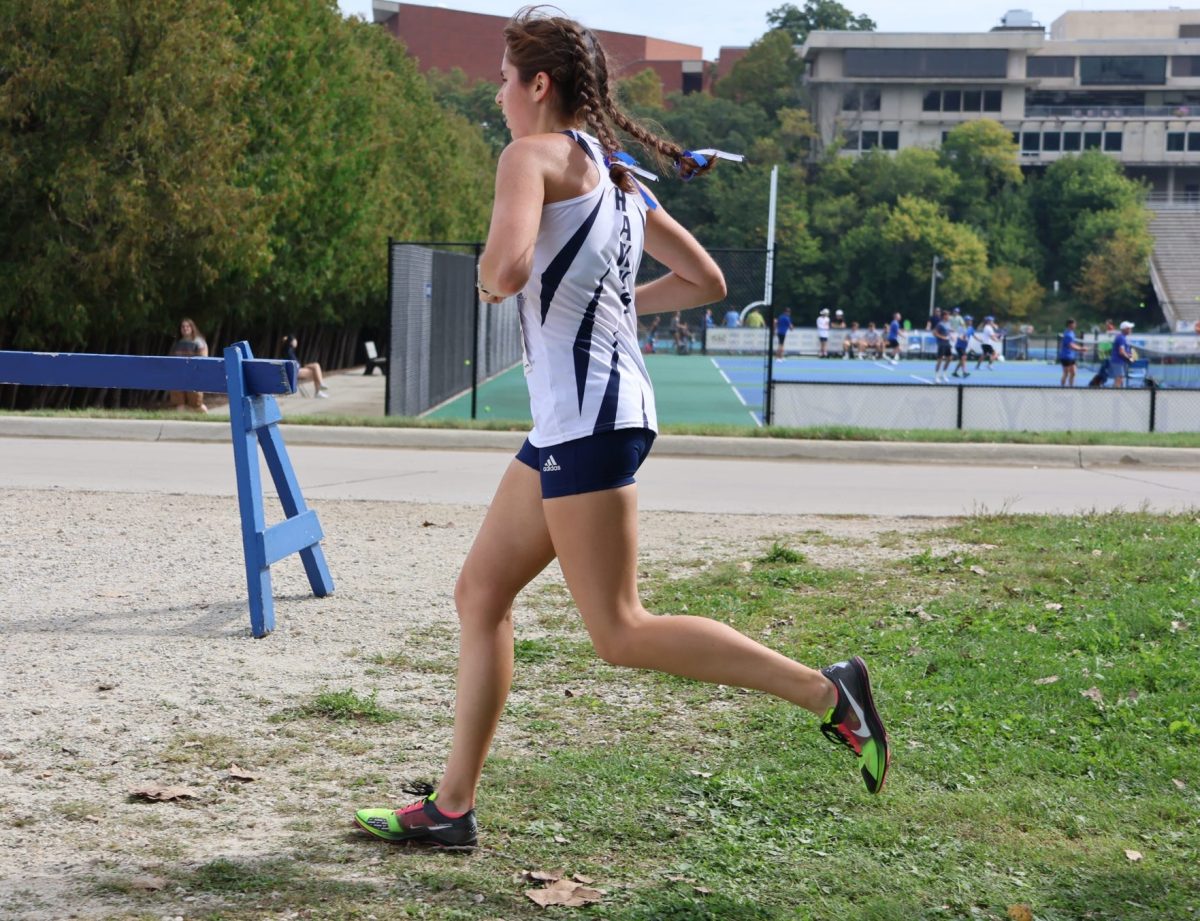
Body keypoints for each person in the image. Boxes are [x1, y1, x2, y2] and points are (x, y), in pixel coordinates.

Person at [353, 6, 889, 850]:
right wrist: (610, 309)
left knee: (620, 629)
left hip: (590, 421)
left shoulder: (529, 156)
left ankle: (831, 693)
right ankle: (451, 808)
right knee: (480, 594)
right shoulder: (615, 172)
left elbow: (504, 267)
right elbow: (706, 278)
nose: (497, 94)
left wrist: (501, 282)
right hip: (586, 415)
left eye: (503, 79)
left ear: (539, 85)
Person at [168, 318, 209, 413]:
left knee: (196, 405)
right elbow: (173, 359)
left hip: (194, 376)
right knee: (179, 404)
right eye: (183, 326)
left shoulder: (199, 342)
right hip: (179, 376)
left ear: (192, 328)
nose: (185, 328)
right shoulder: (177, 343)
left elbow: (203, 359)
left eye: (187, 326)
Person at [1059, 318, 1087, 387]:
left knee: (1074, 372)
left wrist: (1081, 348)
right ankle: (1062, 387)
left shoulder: (1072, 333)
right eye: (1074, 324)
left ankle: (1071, 387)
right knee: (1066, 373)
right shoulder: (1068, 334)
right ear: (1070, 325)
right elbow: (1071, 346)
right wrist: (1081, 349)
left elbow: (1073, 344)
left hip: (1071, 356)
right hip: (1066, 356)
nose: (1075, 325)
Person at [932, 308, 953, 383]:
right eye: (947, 315)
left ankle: (943, 374)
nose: (949, 316)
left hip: (947, 343)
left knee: (950, 358)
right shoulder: (940, 324)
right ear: (944, 316)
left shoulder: (948, 323)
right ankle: (936, 376)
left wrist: (951, 335)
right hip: (941, 343)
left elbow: (949, 331)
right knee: (940, 360)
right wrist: (942, 337)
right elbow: (934, 333)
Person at [1111, 320, 1134, 388]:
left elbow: (1123, 351)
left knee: (1120, 378)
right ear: (1125, 329)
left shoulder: (1122, 337)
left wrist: (1128, 355)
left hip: (1120, 361)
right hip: (1118, 361)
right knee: (1119, 378)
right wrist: (1129, 358)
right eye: (1129, 328)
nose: (1130, 330)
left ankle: (1116, 393)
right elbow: (1121, 352)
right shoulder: (1121, 338)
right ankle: (1115, 393)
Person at [951, 314, 972, 379]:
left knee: (961, 360)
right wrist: (963, 338)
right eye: (969, 320)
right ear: (965, 321)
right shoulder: (961, 327)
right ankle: (964, 372)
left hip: (964, 346)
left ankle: (955, 372)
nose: (970, 321)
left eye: (970, 320)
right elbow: (960, 336)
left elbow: (969, 336)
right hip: (959, 345)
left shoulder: (970, 328)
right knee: (964, 358)